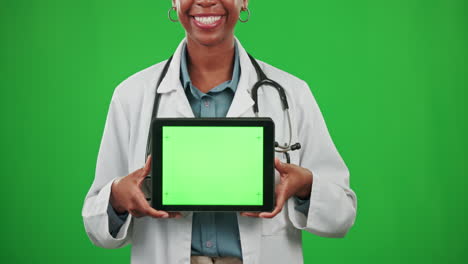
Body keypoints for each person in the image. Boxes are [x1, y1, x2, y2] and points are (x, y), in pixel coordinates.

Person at [82, 0, 357, 263]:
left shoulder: (292, 94)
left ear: (245, 1)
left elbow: (341, 214)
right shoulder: (131, 95)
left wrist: (306, 187)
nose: (205, 1)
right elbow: (96, 226)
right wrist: (117, 197)